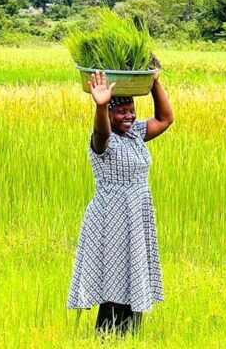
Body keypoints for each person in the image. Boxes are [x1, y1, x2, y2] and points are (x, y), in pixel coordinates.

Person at [66, 70, 174, 337]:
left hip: (137, 215)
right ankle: (106, 338)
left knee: (134, 275)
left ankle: (130, 338)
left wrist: (154, 82)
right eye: (121, 111)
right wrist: (101, 105)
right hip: (110, 217)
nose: (128, 116)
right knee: (113, 279)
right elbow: (100, 131)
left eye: (131, 110)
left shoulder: (136, 134)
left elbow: (165, 118)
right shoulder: (103, 141)